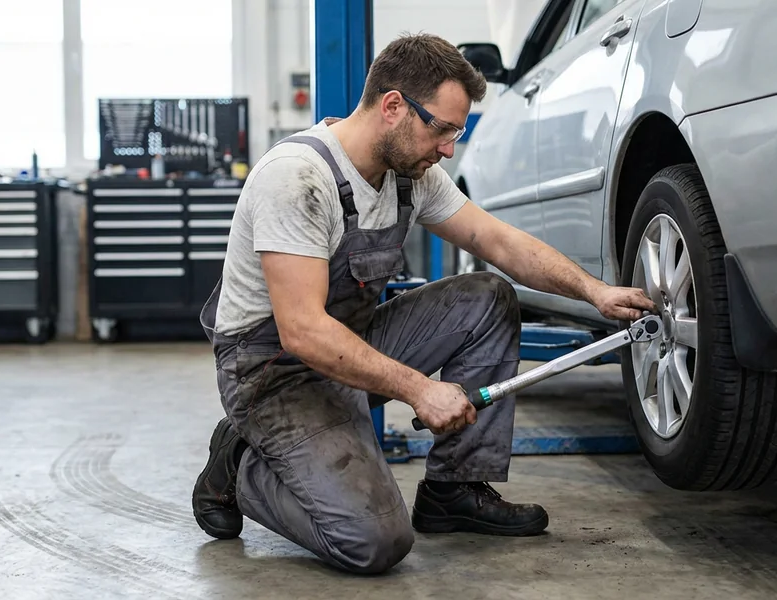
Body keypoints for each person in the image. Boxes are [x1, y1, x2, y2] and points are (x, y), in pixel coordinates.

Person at [192, 33, 656, 575]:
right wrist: (419, 388)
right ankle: (241, 457)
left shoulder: (411, 177)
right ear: (393, 106)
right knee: (374, 543)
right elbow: (302, 332)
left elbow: (499, 242)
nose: (449, 149)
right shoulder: (297, 179)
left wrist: (594, 291)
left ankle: (453, 490)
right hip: (275, 373)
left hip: (350, 343)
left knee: (488, 298)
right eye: (443, 129)